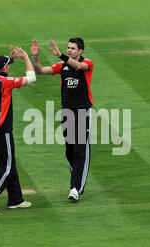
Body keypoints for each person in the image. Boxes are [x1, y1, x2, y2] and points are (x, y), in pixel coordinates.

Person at [30, 38, 94, 202]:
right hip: (67, 113)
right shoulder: (62, 67)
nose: (70, 50)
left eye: (73, 48)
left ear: (80, 51)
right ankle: (76, 179)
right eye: (68, 48)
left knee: (80, 151)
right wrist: (35, 58)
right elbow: (41, 71)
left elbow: (79, 66)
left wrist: (60, 54)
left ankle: (75, 188)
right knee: (69, 151)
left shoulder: (87, 63)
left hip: (83, 111)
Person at [0, 46, 36, 213]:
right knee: (6, 167)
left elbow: (0, 70)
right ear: (5, 68)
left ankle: (15, 198)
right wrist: (26, 58)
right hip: (2, 130)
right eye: (8, 65)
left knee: (9, 164)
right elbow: (31, 78)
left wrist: (10, 59)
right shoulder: (5, 83)